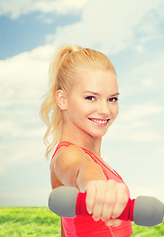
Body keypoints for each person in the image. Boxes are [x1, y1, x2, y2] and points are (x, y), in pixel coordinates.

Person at [40, 44, 133, 237]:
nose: (105, 110)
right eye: (91, 97)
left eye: (112, 99)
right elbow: (81, 169)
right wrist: (95, 184)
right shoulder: (68, 154)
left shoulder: (94, 159)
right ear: (62, 99)